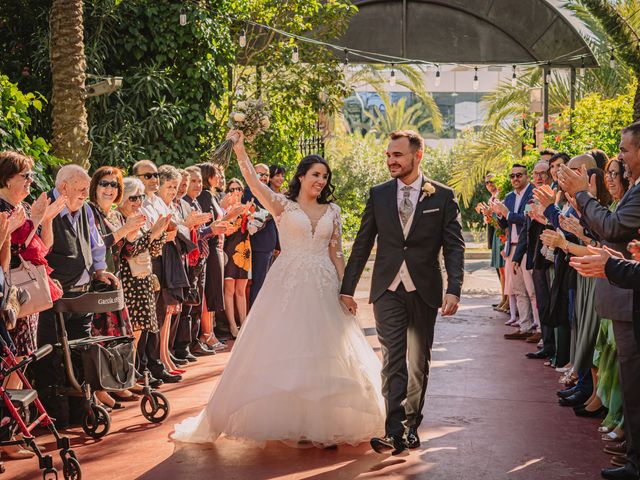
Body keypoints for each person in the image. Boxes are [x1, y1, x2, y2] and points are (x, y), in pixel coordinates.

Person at [173, 130, 385, 447]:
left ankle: (323, 424)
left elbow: (337, 253)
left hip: (325, 283)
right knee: (291, 348)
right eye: (316, 175)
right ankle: (297, 425)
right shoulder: (281, 206)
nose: (321, 181)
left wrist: (347, 290)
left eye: (325, 177)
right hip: (288, 283)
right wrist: (241, 151)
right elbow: (253, 183)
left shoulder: (333, 212)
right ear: (301, 176)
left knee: (326, 351)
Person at [340, 130, 465, 455]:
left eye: (397, 155)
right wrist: (347, 288)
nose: (391, 160)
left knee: (417, 361)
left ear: (417, 156)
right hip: (387, 289)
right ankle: (395, 430)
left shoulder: (442, 196)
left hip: (424, 290)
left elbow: (454, 246)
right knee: (393, 358)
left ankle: (410, 426)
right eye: (388, 155)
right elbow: (363, 243)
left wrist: (454, 289)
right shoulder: (379, 194)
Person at [559, 122, 640, 480]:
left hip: (628, 295)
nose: (620, 158)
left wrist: (581, 196)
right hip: (623, 288)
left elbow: (612, 228)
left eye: (624, 150)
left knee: (633, 382)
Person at [35, 164, 119, 428]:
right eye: (81, 189)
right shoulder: (44, 205)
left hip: (81, 294)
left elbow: (94, 242)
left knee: (82, 351)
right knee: (53, 356)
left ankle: (82, 409)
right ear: (63, 188)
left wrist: (100, 269)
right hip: (54, 297)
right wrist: (46, 219)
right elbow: (36, 250)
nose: (86, 193)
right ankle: (57, 415)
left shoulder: (83, 209)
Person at [512, 161, 555, 358]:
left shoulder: (554, 197)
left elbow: (557, 223)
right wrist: (518, 256)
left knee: (549, 302)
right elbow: (525, 231)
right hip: (535, 257)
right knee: (542, 302)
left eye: (543, 173)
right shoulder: (532, 197)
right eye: (536, 173)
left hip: (551, 258)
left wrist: (544, 217)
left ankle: (554, 347)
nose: (539, 177)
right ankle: (546, 343)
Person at [493, 164, 537, 339]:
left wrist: (508, 214)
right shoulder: (510, 197)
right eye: (512, 176)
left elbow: (528, 219)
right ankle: (525, 326)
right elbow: (506, 224)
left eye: (519, 175)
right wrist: (498, 214)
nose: (515, 179)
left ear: (527, 176)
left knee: (532, 290)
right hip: (512, 247)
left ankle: (539, 329)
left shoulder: (533, 194)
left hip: (527, 246)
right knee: (518, 289)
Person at [243, 163, 279, 307]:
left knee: (265, 283)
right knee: (257, 283)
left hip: (270, 243)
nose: (263, 177)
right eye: (260, 174)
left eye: (266, 174)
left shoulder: (270, 192)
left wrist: (277, 244)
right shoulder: (248, 192)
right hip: (257, 243)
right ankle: (254, 316)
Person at [222, 178, 252, 338]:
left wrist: (252, 217)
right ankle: (233, 326)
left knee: (241, 290)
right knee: (229, 290)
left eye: (238, 189)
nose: (235, 192)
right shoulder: (224, 210)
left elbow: (253, 229)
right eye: (232, 189)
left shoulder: (248, 208)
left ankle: (244, 324)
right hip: (229, 250)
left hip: (245, 250)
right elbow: (225, 231)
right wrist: (232, 215)